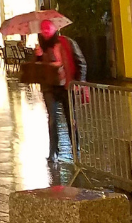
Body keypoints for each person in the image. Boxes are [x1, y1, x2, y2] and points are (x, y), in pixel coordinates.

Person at [36, 18, 87, 162]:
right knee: (52, 119)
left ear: (54, 30)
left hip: (67, 86)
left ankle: (76, 149)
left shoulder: (66, 43)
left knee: (71, 119)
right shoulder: (41, 47)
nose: (45, 34)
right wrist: (38, 57)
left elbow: (81, 62)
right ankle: (53, 153)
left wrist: (79, 82)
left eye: (48, 30)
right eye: (43, 31)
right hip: (49, 87)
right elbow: (36, 70)